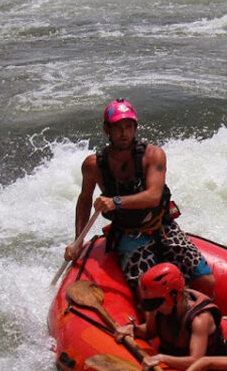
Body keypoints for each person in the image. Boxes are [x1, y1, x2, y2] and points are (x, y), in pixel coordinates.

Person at [65, 99, 215, 296]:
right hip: (128, 232)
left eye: (129, 127)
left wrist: (116, 201)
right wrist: (78, 241)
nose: (124, 133)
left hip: (162, 225)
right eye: (118, 128)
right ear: (106, 129)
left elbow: (153, 196)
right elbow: (84, 200)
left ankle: (201, 314)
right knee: (150, 294)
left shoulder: (153, 155)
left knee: (206, 281)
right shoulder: (93, 166)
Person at [115, 262, 227, 371]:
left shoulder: (200, 319)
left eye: (158, 303)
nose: (155, 308)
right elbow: (149, 332)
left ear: (174, 296)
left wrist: (162, 359)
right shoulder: (160, 307)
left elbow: (196, 361)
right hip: (176, 364)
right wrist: (132, 329)